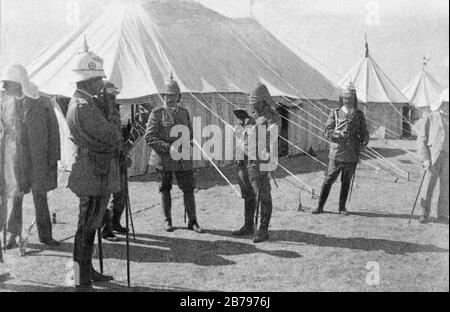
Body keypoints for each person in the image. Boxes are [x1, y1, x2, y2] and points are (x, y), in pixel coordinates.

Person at [66, 43, 121, 290]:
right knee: (86, 228)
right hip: (92, 173)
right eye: (98, 79)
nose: (101, 84)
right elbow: (111, 135)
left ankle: (86, 272)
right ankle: (81, 277)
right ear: (88, 81)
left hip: (93, 170)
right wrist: (112, 112)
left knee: (89, 227)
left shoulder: (84, 102)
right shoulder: (85, 107)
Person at [0, 64, 61, 249]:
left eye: (8, 84)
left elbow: (54, 132)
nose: (5, 88)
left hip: (38, 160)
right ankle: (12, 235)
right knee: (15, 197)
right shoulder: (5, 104)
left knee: (40, 197)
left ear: (20, 83)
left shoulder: (41, 102)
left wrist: (53, 158)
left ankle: (46, 236)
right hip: (17, 161)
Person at [144, 75, 202, 233]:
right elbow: (149, 137)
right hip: (164, 158)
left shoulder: (184, 113)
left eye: (173, 96)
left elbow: (189, 134)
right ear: (163, 97)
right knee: (165, 188)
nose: (170, 99)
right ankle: (167, 220)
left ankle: (193, 221)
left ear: (179, 97)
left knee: (188, 189)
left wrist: (186, 145)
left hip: (182, 159)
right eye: (167, 96)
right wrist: (168, 147)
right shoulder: (156, 114)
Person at [232, 83, 280, 243]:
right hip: (244, 160)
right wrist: (242, 123)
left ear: (265, 101)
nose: (254, 106)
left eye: (257, 103)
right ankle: (248, 225)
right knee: (248, 194)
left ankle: (263, 230)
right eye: (253, 103)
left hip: (259, 161)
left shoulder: (271, 117)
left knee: (263, 196)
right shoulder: (251, 116)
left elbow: (270, 139)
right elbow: (239, 133)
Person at [312, 83, 369, 215]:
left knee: (346, 181)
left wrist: (365, 139)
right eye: (345, 98)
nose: (347, 100)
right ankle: (320, 206)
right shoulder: (335, 113)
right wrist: (338, 134)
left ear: (354, 98)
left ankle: (342, 207)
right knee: (328, 179)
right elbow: (327, 131)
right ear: (341, 98)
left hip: (352, 153)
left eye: (350, 98)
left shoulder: (358, 114)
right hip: (337, 152)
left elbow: (364, 131)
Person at [100, 81, 130, 241]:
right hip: (105, 159)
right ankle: (106, 229)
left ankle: (115, 221)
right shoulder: (99, 112)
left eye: (113, 95)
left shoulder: (115, 111)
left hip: (118, 157)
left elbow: (118, 136)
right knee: (104, 196)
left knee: (121, 194)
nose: (112, 98)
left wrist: (124, 153)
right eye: (110, 95)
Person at [416, 90, 449, 224]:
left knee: (446, 187)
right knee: (428, 185)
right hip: (432, 157)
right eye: (446, 103)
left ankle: (443, 213)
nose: (448, 106)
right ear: (441, 103)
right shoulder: (430, 117)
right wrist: (425, 158)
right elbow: (421, 140)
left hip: (447, 158)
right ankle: (424, 213)